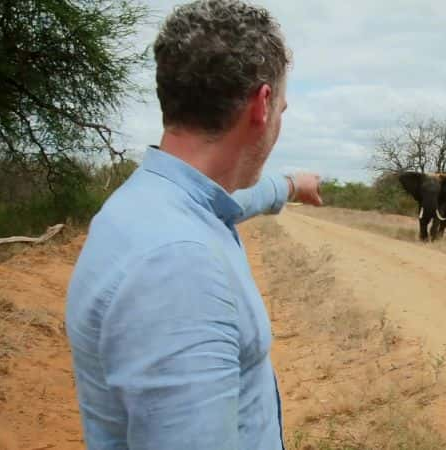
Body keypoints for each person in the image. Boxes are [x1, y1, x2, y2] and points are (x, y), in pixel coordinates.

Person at [65, 1, 320, 449]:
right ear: (262, 105)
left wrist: (290, 185)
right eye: (282, 107)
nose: (279, 119)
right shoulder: (178, 267)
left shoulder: (153, 203)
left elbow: (230, 203)